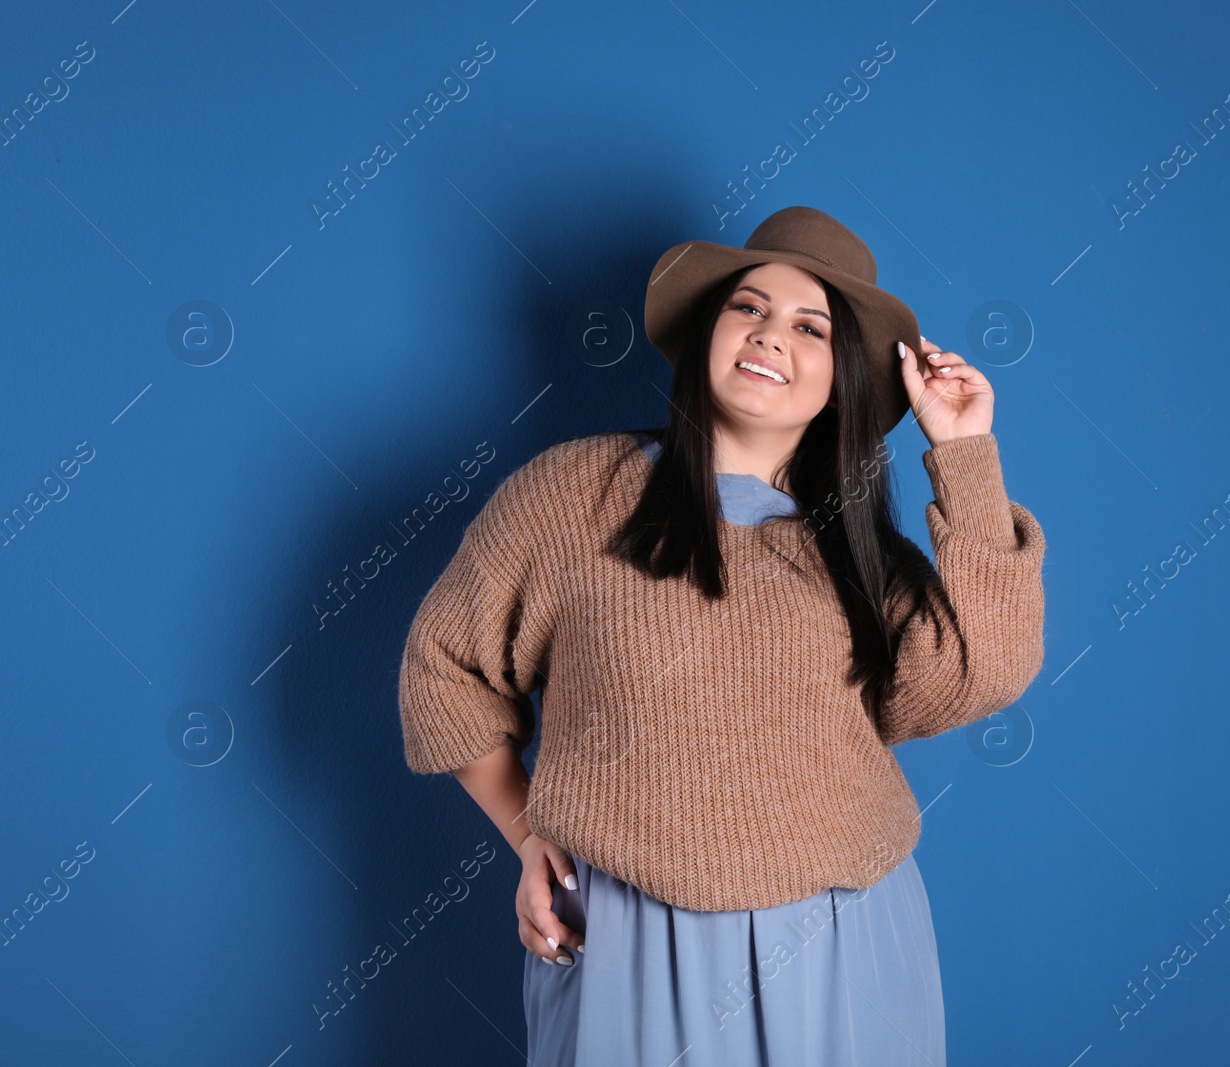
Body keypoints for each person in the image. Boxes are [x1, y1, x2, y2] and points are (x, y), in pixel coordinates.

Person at [396, 205, 1048, 1065]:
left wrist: (966, 451)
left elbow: (987, 667)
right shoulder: (572, 494)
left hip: (842, 943)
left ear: (840, 378)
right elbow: (444, 673)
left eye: (810, 326)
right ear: (710, 330)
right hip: (626, 944)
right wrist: (529, 837)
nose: (771, 334)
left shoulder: (858, 552)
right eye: (749, 306)